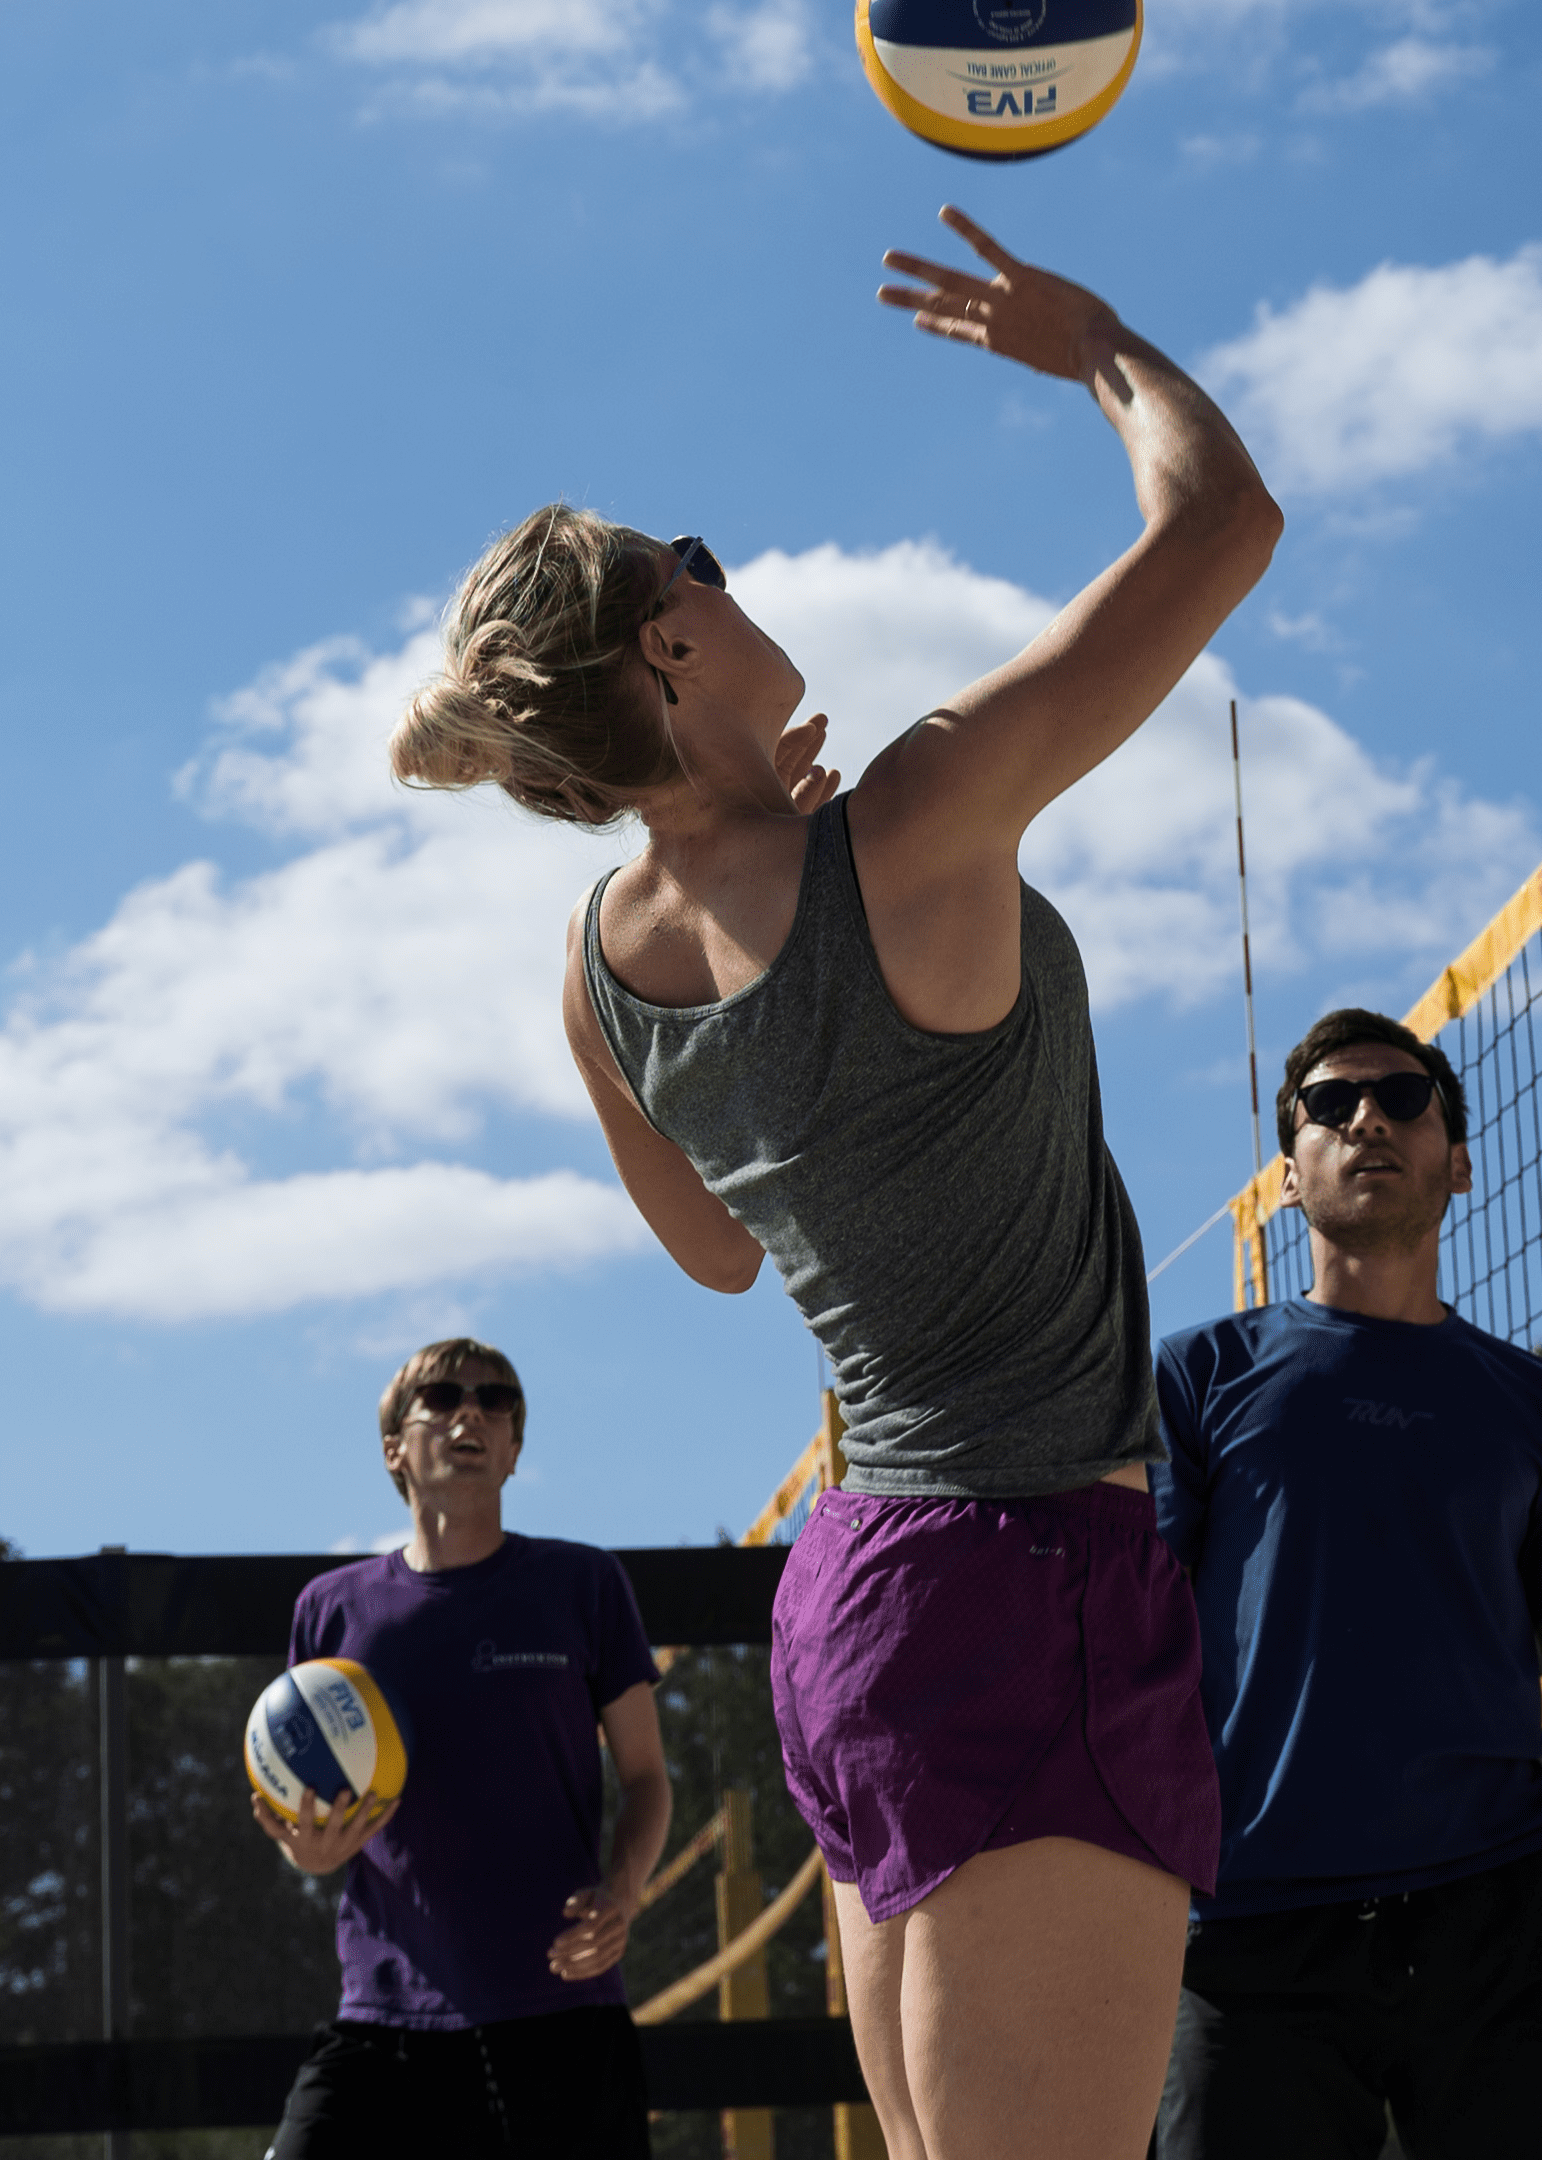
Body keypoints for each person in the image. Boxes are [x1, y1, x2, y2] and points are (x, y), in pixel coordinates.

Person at [395, 207, 1280, 2160]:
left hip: (863, 1585)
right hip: (1032, 1565)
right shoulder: (913, 815)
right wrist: (1099, 344)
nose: (735, 571)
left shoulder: (600, 958)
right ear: (672, 639)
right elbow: (1222, 525)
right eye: (700, 560)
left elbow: (720, 1248)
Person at [1150, 1010, 1542, 2151]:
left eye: (1404, 1099)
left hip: (1498, 1906)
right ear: (1289, 1176)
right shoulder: (1197, 1376)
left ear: (1457, 1161)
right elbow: (1133, 1661)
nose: (1367, 1116)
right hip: (1251, 1922)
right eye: (1329, 1104)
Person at [256, 1340, 667, 2160]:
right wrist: (308, 1851)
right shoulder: (330, 1611)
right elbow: (306, 1812)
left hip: (561, 2008)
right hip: (385, 2015)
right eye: (440, 1398)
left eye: (495, 1399)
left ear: (515, 1450)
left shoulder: (582, 1585)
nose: (470, 1411)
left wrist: (622, 1892)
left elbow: (648, 1778)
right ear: (394, 1450)